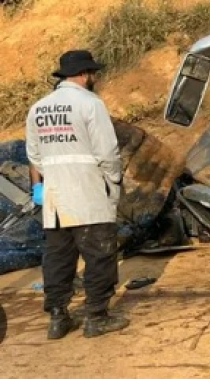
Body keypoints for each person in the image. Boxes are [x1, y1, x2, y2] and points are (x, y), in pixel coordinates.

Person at [25, 50, 129, 339]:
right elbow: (107, 152)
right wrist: (113, 183)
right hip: (88, 193)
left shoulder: (38, 108)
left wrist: (39, 188)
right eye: (93, 74)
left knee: (58, 259)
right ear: (85, 74)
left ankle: (59, 319)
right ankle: (96, 317)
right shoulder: (90, 104)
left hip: (55, 200)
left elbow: (34, 155)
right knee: (100, 254)